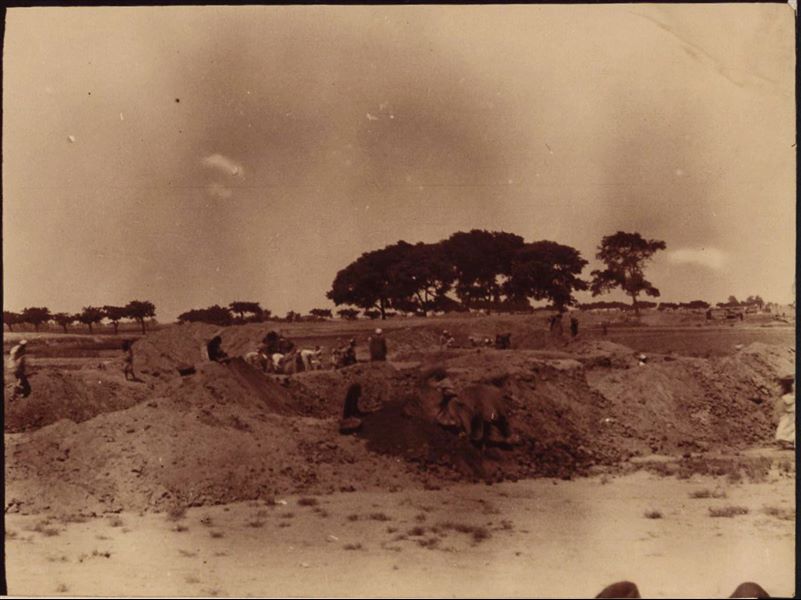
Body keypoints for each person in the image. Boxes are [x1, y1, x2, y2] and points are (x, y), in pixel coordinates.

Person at [775, 375, 795, 449]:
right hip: (789, 414)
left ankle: (788, 442)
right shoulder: (789, 394)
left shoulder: (785, 396)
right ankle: (788, 442)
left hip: (788, 415)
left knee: (785, 429)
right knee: (787, 428)